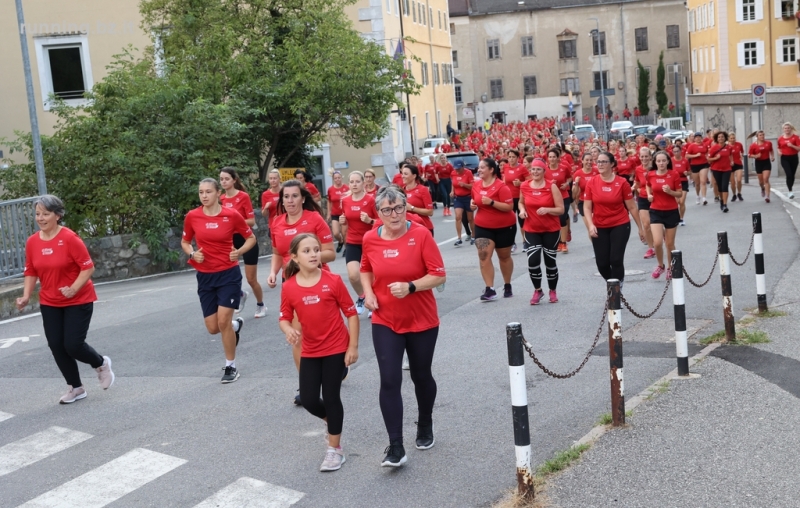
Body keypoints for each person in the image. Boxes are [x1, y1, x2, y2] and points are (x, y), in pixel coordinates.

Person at [360, 186, 447, 468]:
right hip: (385, 318)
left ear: (406, 207)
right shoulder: (370, 238)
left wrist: (411, 287)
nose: (394, 214)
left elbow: (438, 275)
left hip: (421, 318)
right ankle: (395, 446)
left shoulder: (420, 234)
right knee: (389, 379)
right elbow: (365, 268)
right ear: (378, 213)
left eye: (398, 208)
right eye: (386, 210)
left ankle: (425, 422)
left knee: (421, 375)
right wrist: (368, 294)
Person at [16, 195, 115, 404]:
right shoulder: (32, 242)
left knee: (73, 344)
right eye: (37, 214)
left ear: (57, 215)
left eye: (45, 213)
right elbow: (31, 270)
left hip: (78, 299)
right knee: (56, 345)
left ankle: (101, 364)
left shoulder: (70, 238)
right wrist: (26, 296)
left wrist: (73, 288)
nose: (40, 218)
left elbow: (88, 267)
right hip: (50, 301)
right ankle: (76, 388)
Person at [279, 234, 359, 472]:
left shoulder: (332, 280)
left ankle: (335, 451)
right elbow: (284, 316)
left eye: (316, 249)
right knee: (309, 399)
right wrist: (288, 329)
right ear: (294, 257)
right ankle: (332, 422)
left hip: (336, 347)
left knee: (332, 397)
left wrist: (352, 346)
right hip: (311, 350)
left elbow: (351, 313)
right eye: (307, 251)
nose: (314, 254)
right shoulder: (289, 286)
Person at [267, 180, 336, 403]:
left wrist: (308, 259)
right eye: (286, 197)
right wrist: (273, 272)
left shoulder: (314, 219)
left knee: (322, 332)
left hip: (318, 281)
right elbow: (278, 252)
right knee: (297, 336)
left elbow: (330, 253)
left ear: (303, 198)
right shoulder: (277, 222)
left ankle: (335, 364)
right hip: (292, 285)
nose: (290, 201)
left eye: (294, 196)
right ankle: (305, 385)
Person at [182, 179, 256, 383]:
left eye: (208, 192)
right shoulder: (192, 216)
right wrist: (192, 253)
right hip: (205, 276)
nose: (204, 196)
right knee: (213, 328)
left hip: (228, 274)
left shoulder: (231, 215)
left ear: (217, 194)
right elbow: (185, 241)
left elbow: (251, 238)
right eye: (201, 192)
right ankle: (235, 324)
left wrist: (239, 252)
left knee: (222, 322)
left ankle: (231, 367)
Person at [583, 153, 646, 284]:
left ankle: (615, 292)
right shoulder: (592, 182)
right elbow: (587, 207)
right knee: (602, 264)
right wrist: (590, 225)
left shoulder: (622, 182)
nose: (600, 164)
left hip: (620, 224)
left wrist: (641, 228)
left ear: (612, 164)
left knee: (616, 259)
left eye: (603, 162)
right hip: (599, 225)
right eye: (598, 162)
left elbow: (632, 207)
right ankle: (613, 283)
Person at [219, 167, 265, 318]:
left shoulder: (243, 196)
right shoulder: (221, 199)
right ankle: (240, 294)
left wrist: (233, 222)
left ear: (234, 180)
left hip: (246, 239)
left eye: (226, 179)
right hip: (230, 240)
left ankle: (260, 305)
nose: (224, 182)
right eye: (221, 179)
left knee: (251, 279)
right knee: (228, 275)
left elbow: (251, 221)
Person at [518, 159, 564, 305]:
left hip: (551, 229)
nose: (535, 172)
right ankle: (538, 290)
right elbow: (520, 202)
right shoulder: (525, 186)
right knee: (533, 261)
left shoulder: (552, 186)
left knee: (550, 262)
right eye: (533, 169)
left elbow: (561, 209)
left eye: (538, 169)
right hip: (531, 229)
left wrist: (548, 209)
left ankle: (552, 290)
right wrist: (522, 210)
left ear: (544, 171)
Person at [471, 158, 517, 300]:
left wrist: (492, 202)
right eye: (479, 168)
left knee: (504, 257)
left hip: (504, 227)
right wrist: (473, 204)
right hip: (483, 226)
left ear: (491, 170)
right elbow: (474, 200)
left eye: (482, 167)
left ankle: (507, 284)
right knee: (483, 255)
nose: (479, 170)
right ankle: (490, 289)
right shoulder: (476, 185)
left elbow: (509, 207)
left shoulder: (501, 187)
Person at [339, 171, 378, 314]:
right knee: (353, 275)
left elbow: (381, 221)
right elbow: (345, 221)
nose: (354, 184)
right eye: (352, 182)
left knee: (372, 275)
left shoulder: (371, 200)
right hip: (353, 241)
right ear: (348, 184)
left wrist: (370, 221)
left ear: (363, 183)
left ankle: (372, 299)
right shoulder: (345, 201)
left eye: (357, 181)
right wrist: (343, 222)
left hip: (370, 241)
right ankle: (362, 296)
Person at [647, 152, 682, 279]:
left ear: (668, 161)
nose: (661, 163)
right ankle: (660, 265)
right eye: (658, 161)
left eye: (663, 161)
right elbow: (648, 185)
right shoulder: (650, 174)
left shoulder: (674, 174)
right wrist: (649, 195)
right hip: (655, 211)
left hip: (671, 211)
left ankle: (670, 268)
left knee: (669, 244)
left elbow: (679, 194)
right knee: (657, 242)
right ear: (655, 162)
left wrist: (670, 191)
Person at [545, 149, 572, 254]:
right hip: (551, 198)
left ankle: (563, 243)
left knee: (561, 218)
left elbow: (570, 178)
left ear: (558, 158)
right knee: (554, 220)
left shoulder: (564, 168)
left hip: (564, 196)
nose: (552, 159)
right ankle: (558, 241)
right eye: (550, 157)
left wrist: (566, 184)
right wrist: (550, 183)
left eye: (554, 157)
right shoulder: (545, 170)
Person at [502, 149, 528, 253]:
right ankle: (512, 243)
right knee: (509, 222)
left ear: (518, 158)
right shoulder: (506, 167)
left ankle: (525, 242)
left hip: (521, 198)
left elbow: (530, 181)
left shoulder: (522, 168)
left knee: (522, 221)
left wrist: (521, 183)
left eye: (513, 157)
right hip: (509, 198)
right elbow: (504, 181)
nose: (511, 159)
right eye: (509, 157)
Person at [633, 148, 656, 259]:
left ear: (650, 157)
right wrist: (634, 187)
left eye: (646, 156)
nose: (644, 158)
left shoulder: (655, 168)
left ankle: (660, 238)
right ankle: (651, 249)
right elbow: (637, 182)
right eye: (642, 156)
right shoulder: (638, 169)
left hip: (656, 198)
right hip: (643, 198)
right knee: (646, 224)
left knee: (656, 224)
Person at [401, 164, 435, 235]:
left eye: (406, 174)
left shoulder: (423, 189)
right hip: (407, 229)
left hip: (424, 227)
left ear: (414, 176)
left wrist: (412, 208)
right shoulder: (401, 191)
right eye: (402, 173)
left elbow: (430, 212)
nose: (402, 176)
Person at [450, 159, 475, 246]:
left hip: (468, 197)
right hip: (458, 198)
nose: (457, 170)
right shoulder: (453, 173)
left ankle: (473, 235)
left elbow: (472, 186)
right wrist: (452, 191)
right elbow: (453, 183)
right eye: (456, 168)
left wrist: (464, 185)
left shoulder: (468, 173)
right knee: (458, 217)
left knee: (470, 218)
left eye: (459, 168)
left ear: (463, 167)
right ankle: (459, 238)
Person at [707, 131, 734, 212]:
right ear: (717, 139)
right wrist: (715, 158)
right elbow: (708, 159)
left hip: (727, 169)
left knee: (725, 186)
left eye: (722, 137)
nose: (721, 138)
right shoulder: (714, 148)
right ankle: (722, 201)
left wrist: (732, 161)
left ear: (725, 138)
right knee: (720, 187)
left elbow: (730, 155)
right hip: (716, 169)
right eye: (719, 137)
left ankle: (725, 204)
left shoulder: (729, 147)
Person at [327, 170, 350, 253]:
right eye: (335, 178)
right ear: (333, 179)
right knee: (336, 233)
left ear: (341, 178)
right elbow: (329, 201)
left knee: (344, 232)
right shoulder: (330, 189)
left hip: (345, 213)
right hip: (335, 214)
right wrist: (328, 213)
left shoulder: (347, 188)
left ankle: (346, 249)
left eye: (339, 178)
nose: (337, 179)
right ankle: (340, 241)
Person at [748, 131, 774, 203]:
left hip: (766, 162)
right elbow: (749, 155)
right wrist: (756, 156)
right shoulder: (753, 145)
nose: (762, 136)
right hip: (758, 163)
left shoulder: (768, 143)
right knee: (761, 181)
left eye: (763, 135)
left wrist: (772, 157)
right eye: (760, 135)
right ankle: (762, 188)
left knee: (766, 179)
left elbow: (771, 150)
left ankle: (767, 196)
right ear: (757, 137)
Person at [777, 122, 800, 199]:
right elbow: (778, 147)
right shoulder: (780, 138)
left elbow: (799, 148)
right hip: (784, 158)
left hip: (794, 158)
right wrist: (779, 152)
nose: (787, 129)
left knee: (792, 175)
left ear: (791, 129)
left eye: (788, 128)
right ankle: (790, 191)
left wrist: (792, 145)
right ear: (783, 129)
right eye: (785, 128)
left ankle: (790, 188)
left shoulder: (796, 137)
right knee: (789, 174)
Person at [686, 132, 709, 205]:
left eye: (699, 137)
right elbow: (687, 156)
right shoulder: (691, 146)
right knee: (697, 183)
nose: (698, 138)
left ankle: (704, 198)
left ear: (701, 138)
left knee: (703, 182)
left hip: (704, 164)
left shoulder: (704, 145)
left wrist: (707, 156)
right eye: (697, 137)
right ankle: (697, 196)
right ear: (694, 139)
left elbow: (707, 152)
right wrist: (695, 155)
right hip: (694, 165)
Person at [670, 145, 690, 226]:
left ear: (680, 151)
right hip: (673, 182)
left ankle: (681, 218)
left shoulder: (685, 161)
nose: (676, 153)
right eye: (674, 151)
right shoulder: (670, 161)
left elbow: (689, 171)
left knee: (681, 201)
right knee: (675, 202)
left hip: (683, 181)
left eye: (677, 151)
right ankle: (675, 217)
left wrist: (687, 173)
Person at [728, 132, 745, 202]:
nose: (732, 140)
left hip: (738, 163)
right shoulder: (726, 146)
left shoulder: (739, 144)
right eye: (731, 138)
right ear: (728, 139)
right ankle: (734, 194)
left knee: (739, 180)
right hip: (730, 165)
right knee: (732, 182)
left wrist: (742, 156)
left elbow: (742, 152)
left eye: (733, 138)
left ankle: (739, 193)